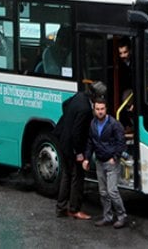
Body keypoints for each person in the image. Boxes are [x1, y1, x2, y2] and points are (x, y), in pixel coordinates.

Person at [53, 80, 107, 220]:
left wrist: (68, 121)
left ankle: (61, 207)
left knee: (66, 175)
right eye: (101, 97)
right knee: (77, 177)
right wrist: (79, 153)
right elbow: (77, 133)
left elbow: (65, 105)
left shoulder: (79, 96)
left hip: (62, 139)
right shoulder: (86, 110)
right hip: (72, 146)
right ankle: (74, 209)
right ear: (95, 97)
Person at [83, 97, 129, 229]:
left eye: (102, 109)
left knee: (112, 191)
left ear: (106, 109)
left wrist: (114, 157)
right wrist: (87, 158)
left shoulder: (114, 124)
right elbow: (90, 142)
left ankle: (122, 216)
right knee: (103, 192)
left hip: (111, 162)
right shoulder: (93, 124)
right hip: (99, 161)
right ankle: (107, 217)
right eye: (97, 109)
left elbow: (121, 142)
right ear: (94, 110)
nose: (100, 111)